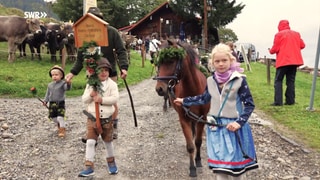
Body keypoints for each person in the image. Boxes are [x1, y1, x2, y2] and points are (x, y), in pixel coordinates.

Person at [174, 43, 258, 179]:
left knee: (237, 169)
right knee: (220, 168)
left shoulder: (240, 80)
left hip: (234, 129)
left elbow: (249, 105)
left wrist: (239, 123)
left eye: (224, 60)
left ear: (231, 60)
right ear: (212, 63)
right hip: (216, 129)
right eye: (217, 61)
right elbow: (204, 98)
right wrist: (184, 101)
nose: (221, 64)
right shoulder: (210, 81)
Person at [65, 7, 128, 139]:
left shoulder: (111, 32)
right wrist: (72, 73)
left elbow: (121, 51)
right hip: (92, 73)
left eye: (97, 19)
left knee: (110, 100)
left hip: (108, 72)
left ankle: (112, 126)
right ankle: (92, 129)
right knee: (92, 100)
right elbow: (80, 58)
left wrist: (124, 67)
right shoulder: (84, 34)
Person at [78, 58, 119, 177]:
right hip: (92, 118)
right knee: (90, 142)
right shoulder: (91, 83)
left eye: (106, 70)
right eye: (101, 70)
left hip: (106, 119)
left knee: (108, 142)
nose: (103, 72)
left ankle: (111, 163)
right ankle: (89, 166)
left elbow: (115, 98)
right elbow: (84, 99)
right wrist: (91, 95)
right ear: (95, 71)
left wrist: (102, 100)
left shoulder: (112, 84)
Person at [269, 20, 305, 106]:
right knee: (291, 81)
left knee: (278, 80)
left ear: (279, 26)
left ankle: (278, 102)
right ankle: (290, 101)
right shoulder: (296, 34)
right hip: (294, 61)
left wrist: (270, 51)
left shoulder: (279, 34)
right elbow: (302, 45)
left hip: (283, 61)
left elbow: (275, 49)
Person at [44, 65, 71, 138]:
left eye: (56, 75)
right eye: (53, 75)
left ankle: (62, 130)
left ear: (61, 75)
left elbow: (67, 88)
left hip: (60, 103)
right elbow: (47, 94)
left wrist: (68, 83)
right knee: (53, 117)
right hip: (52, 104)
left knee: (60, 117)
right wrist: (45, 101)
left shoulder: (63, 84)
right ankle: (61, 124)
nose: (54, 76)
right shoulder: (50, 85)